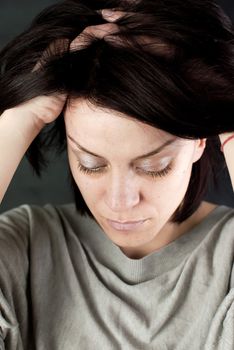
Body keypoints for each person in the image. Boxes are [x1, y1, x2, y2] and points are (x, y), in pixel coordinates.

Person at [0, 0, 234, 349]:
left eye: (154, 166)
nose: (119, 201)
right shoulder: (26, 247)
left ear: (201, 140)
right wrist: (19, 120)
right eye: (90, 164)